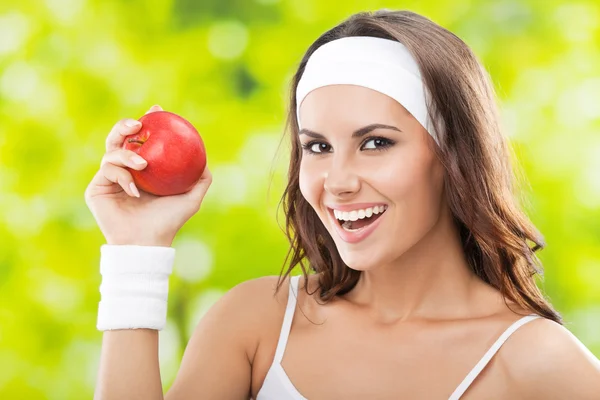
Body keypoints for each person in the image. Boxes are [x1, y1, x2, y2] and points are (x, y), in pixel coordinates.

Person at [84, 9, 600, 400]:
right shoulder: (259, 323)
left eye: (376, 143)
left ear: (452, 155)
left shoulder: (536, 362)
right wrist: (136, 253)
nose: (338, 181)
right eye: (317, 146)